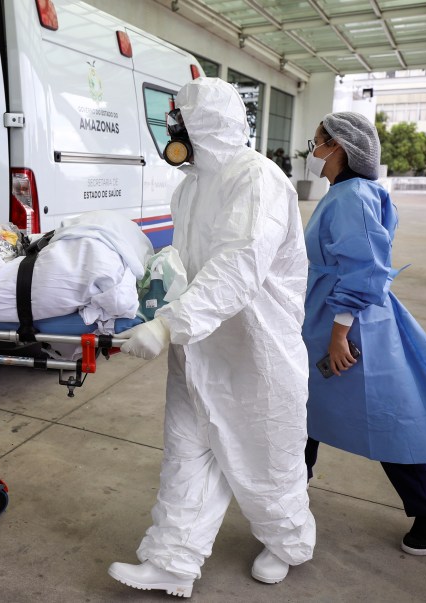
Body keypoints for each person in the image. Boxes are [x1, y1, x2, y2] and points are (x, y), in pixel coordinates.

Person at [108, 77, 315, 596]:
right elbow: (188, 264)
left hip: (256, 350)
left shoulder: (259, 180)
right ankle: (172, 561)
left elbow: (237, 267)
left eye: (181, 122)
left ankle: (286, 543)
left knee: (266, 456)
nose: (173, 133)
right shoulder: (189, 188)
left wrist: (168, 325)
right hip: (199, 346)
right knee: (187, 451)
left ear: (206, 127)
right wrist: (151, 297)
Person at [302, 112, 426, 556]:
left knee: (385, 416)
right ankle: (290, 486)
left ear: (337, 145)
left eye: (316, 141)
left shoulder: (351, 196)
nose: (311, 149)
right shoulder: (347, 192)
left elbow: (365, 269)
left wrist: (340, 332)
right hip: (330, 314)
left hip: (349, 322)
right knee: (302, 405)